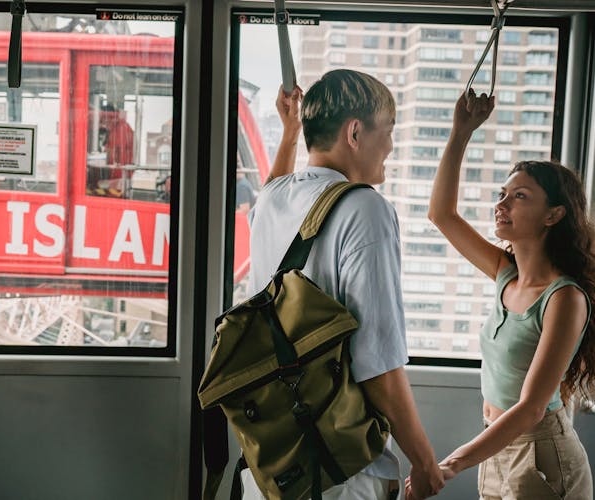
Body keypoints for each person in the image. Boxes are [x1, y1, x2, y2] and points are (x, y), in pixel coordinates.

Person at [244, 71, 445, 500]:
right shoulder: (364, 209)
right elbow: (378, 362)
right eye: (387, 132)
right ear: (355, 132)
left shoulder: (271, 200)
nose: (390, 145)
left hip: (274, 458)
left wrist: (289, 134)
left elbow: (273, 188)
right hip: (341, 466)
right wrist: (424, 463)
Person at [423, 89, 594, 499]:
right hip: (497, 446)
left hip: (541, 453)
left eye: (519, 197)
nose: (502, 204)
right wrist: (460, 132)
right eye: (502, 194)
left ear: (554, 215)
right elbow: (441, 215)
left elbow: (533, 407)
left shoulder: (563, 298)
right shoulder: (506, 274)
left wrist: (451, 464)